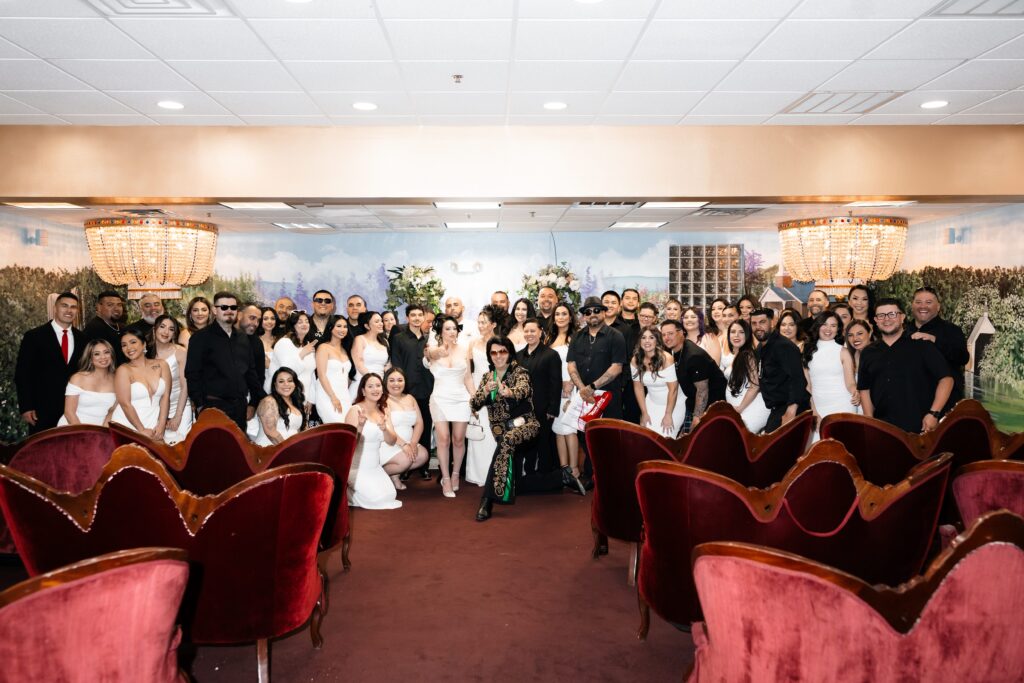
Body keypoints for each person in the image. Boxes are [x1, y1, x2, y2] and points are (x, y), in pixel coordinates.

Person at [470, 337, 584, 523]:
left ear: (509, 353)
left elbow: (523, 391)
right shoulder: (487, 377)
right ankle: (560, 478)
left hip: (527, 426)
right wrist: (484, 393)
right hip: (501, 430)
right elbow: (474, 403)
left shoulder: (520, 372)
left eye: (503, 352)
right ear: (489, 356)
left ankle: (487, 500)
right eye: (494, 352)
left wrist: (507, 392)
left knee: (506, 442)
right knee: (513, 483)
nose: (498, 356)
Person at [858, 299, 954, 433]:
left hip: (919, 426)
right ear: (876, 320)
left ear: (902, 317)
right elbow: (864, 389)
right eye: (881, 315)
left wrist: (934, 414)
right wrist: (869, 421)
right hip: (882, 426)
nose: (887, 319)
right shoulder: (868, 352)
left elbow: (946, 379)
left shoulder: (921, 345)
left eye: (892, 314)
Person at [185, 291, 262, 431]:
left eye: (233, 308)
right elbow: (192, 374)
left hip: (240, 407)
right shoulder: (200, 338)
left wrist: (254, 402)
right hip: (212, 407)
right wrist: (201, 406)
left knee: (238, 450)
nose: (229, 311)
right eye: (224, 307)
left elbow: (250, 373)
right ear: (215, 310)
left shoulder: (243, 338)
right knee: (214, 450)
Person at [15, 291, 86, 433]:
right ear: (55, 308)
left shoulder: (83, 339)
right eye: (64, 306)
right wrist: (26, 406)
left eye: (73, 307)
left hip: (75, 409)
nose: (69, 310)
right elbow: (23, 374)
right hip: (42, 410)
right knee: (42, 451)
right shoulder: (34, 336)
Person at [424, 315, 474, 498]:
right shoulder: (433, 350)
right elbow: (429, 355)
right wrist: (438, 351)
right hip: (440, 398)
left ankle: (455, 475)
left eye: (454, 328)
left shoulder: (464, 349)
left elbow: (468, 377)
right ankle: (445, 479)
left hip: (461, 397)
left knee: (459, 439)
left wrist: (474, 399)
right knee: (443, 439)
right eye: (448, 328)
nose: (452, 332)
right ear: (440, 331)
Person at [388, 304, 434, 481]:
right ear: (407, 318)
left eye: (419, 315)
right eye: (412, 315)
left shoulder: (429, 341)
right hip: (407, 393)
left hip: (426, 390)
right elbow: (396, 364)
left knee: (425, 427)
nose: (416, 318)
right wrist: (400, 389)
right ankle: (406, 465)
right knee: (407, 429)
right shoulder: (399, 338)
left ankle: (423, 466)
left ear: (423, 317)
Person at [345, 373, 401, 509]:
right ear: (363, 391)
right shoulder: (355, 410)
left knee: (390, 495)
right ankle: (346, 492)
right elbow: (348, 445)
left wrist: (384, 429)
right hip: (356, 468)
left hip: (375, 467)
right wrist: (360, 426)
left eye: (378, 386)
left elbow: (392, 441)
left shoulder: (383, 412)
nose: (375, 389)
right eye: (370, 386)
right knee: (376, 500)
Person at [909, 286, 969, 412]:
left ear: (938, 306)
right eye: (918, 302)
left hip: (946, 406)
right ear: (912, 305)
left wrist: (935, 340)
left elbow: (963, 357)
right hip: (911, 404)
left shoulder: (951, 330)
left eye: (928, 302)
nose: (923, 306)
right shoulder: (904, 330)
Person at [567, 296, 627, 422]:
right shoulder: (576, 337)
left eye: (596, 310)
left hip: (609, 400)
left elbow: (617, 367)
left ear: (604, 313)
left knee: (609, 437)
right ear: (584, 316)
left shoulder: (616, 336)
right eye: (588, 312)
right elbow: (571, 365)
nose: (592, 314)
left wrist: (591, 388)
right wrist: (583, 389)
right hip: (584, 399)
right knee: (584, 438)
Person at [660, 319, 727, 431]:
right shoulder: (676, 350)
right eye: (663, 334)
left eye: (670, 333)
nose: (667, 337)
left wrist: (696, 419)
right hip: (693, 402)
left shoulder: (694, 356)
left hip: (712, 406)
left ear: (681, 332)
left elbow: (702, 391)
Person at [750, 308, 810, 433]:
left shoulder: (784, 346)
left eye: (762, 322)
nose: (758, 327)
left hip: (790, 409)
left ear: (772, 322)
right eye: (754, 323)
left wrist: (791, 411)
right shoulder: (761, 348)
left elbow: (798, 379)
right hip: (776, 409)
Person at [803, 311, 860, 439]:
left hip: (844, 405)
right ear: (818, 326)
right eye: (824, 324)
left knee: (844, 446)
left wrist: (855, 391)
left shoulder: (843, 351)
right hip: (818, 406)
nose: (828, 329)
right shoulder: (807, 351)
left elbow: (850, 382)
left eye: (833, 325)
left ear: (838, 329)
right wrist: (814, 412)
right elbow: (808, 387)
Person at [517, 318, 562, 474]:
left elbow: (556, 384)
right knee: (525, 443)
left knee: (543, 444)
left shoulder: (551, 355)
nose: (529, 334)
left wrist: (553, 409)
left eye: (532, 331)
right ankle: (526, 476)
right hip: (522, 410)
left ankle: (543, 478)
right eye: (526, 331)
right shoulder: (518, 356)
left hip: (543, 409)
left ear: (540, 332)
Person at [111, 325, 171, 441]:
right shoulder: (123, 370)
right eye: (124, 345)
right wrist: (141, 429)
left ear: (144, 344)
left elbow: (165, 396)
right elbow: (125, 404)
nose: (129, 348)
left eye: (133, 342)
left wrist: (162, 424)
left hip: (153, 424)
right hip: (128, 424)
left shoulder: (162, 365)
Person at [466, 306, 504, 487]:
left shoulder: (501, 343)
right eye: (478, 322)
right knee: (478, 430)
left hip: (497, 392)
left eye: (484, 322)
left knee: (493, 433)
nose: (480, 326)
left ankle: (496, 473)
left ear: (493, 324)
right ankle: (479, 474)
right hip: (478, 391)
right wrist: (475, 397)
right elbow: (467, 373)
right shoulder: (473, 343)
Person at [379, 368, 430, 490]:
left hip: (409, 442)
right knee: (406, 460)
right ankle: (378, 476)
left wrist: (413, 443)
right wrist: (404, 445)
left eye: (399, 380)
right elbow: (388, 428)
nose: (396, 384)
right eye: (392, 380)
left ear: (405, 382)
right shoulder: (383, 400)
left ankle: (395, 475)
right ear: (386, 382)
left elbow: (419, 423)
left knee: (423, 455)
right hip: (391, 442)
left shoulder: (410, 398)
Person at [547, 302, 581, 478]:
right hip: (554, 388)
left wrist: (571, 383)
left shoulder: (576, 338)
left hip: (570, 387)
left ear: (570, 317)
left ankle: (574, 470)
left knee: (570, 428)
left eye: (564, 314)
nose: (560, 317)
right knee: (558, 429)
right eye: (557, 314)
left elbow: (579, 364)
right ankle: (564, 469)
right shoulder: (549, 340)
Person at [631, 327, 682, 436]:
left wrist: (668, 415)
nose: (647, 341)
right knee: (646, 437)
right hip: (652, 402)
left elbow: (673, 389)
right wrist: (644, 413)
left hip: (674, 403)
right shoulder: (635, 360)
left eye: (651, 337)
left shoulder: (666, 358)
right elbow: (638, 387)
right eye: (643, 338)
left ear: (657, 340)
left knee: (666, 438)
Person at [720, 320, 769, 433]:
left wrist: (741, 407)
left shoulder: (748, 355)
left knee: (736, 438)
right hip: (740, 408)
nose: (736, 335)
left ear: (747, 335)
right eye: (732, 332)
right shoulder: (738, 355)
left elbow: (755, 386)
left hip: (751, 408)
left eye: (741, 332)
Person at [151, 314, 192, 443]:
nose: (166, 332)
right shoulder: (145, 353)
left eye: (171, 329)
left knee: (181, 446)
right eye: (162, 327)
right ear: (154, 329)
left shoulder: (180, 352)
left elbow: (185, 385)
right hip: (155, 409)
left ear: (174, 334)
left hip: (179, 405)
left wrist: (178, 416)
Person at [57, 339, 117, 427]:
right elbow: (69, 413)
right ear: (90, 358)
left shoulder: (118, 379)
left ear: (111, 355)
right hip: (73, 428)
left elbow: (112, 410)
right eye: (97, 354)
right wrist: (83, 435)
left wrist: (104, 431)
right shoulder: (78, 378)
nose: (103, 357)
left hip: (100, 431)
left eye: (106, 352)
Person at [603, 290, 640, 422]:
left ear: (618, 305)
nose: (610, 305)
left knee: (616, 421)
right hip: (595, 383)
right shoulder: (594, 326)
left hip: (618, 384)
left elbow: (629, 358)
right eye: (606, 302)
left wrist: (622, 384)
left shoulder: (625, 330)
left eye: (613, 302)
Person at [272, 311, 317, 411]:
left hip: (303, 398)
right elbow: (286, 373)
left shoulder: (308, 344)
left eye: (306, 321)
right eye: (300, 322)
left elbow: (311, 373)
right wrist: (303, 353)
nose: (304, 324)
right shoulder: (284, 343)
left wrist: (310, 399)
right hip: (286, 397)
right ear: (293, 325)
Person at [314, 315, 353, 426]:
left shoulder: (346, 349)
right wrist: (333, 397)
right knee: (337, 427)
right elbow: (321, 375)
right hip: (327, 395)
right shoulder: (323, 347)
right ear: (331, 328)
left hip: (345, 395)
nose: (342, 329)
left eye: (345, 326)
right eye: (339, 326)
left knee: (348, 428)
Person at [254, 367, 307, 446]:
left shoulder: (296, 403)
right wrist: (286, 450)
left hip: (290, 451)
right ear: (275, 385)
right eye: (281, 381)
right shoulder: (269, 401)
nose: (286, 384)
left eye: (290, 381)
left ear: (295, 384)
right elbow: (270, 432)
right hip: (269, 450)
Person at [350, 311, 390, 400]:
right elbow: (359, 364)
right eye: (377, 322)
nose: (381, 324)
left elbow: (387, 364)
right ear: (367, 326)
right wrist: (372, 381)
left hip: (380, 386)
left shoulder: (384, 341)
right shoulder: (360, 339)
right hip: (363, 383)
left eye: (381, 321)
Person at [82, 290, 126, 364]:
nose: (116, 308)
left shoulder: (122, 327)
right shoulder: (94, 329)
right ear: (99, 307)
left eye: (119, 305)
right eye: (110, 305)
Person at [257, 306, 278, 378]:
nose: (269, 321)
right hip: (257, 383)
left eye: (272, 318)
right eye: (265, 319)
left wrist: (270, 366)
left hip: (276, 383)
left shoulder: (280, 341)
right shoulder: (253, 341)